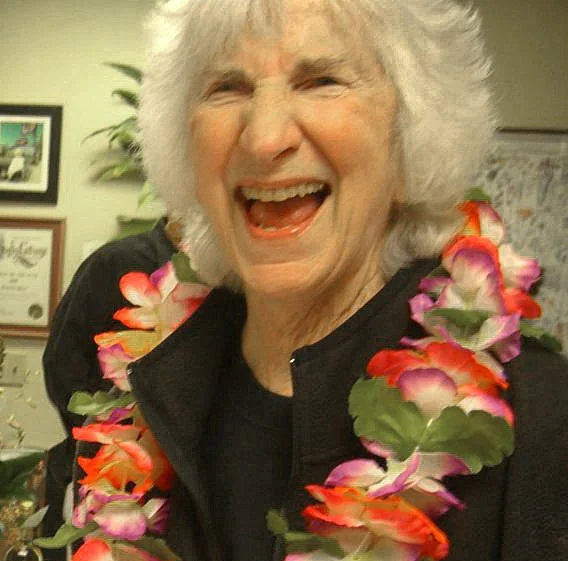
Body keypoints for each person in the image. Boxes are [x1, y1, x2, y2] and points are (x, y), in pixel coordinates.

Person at [75, 1, 568, 560]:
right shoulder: (137, 397)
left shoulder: (546, 426)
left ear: (411, 135)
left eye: (322, 81)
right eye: (227, 88)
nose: (264, 138)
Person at [41, 217, 178, 557]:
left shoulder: (231, 276)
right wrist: (111, 438)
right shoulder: (116, 262)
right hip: (109, 478)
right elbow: (63, 365)